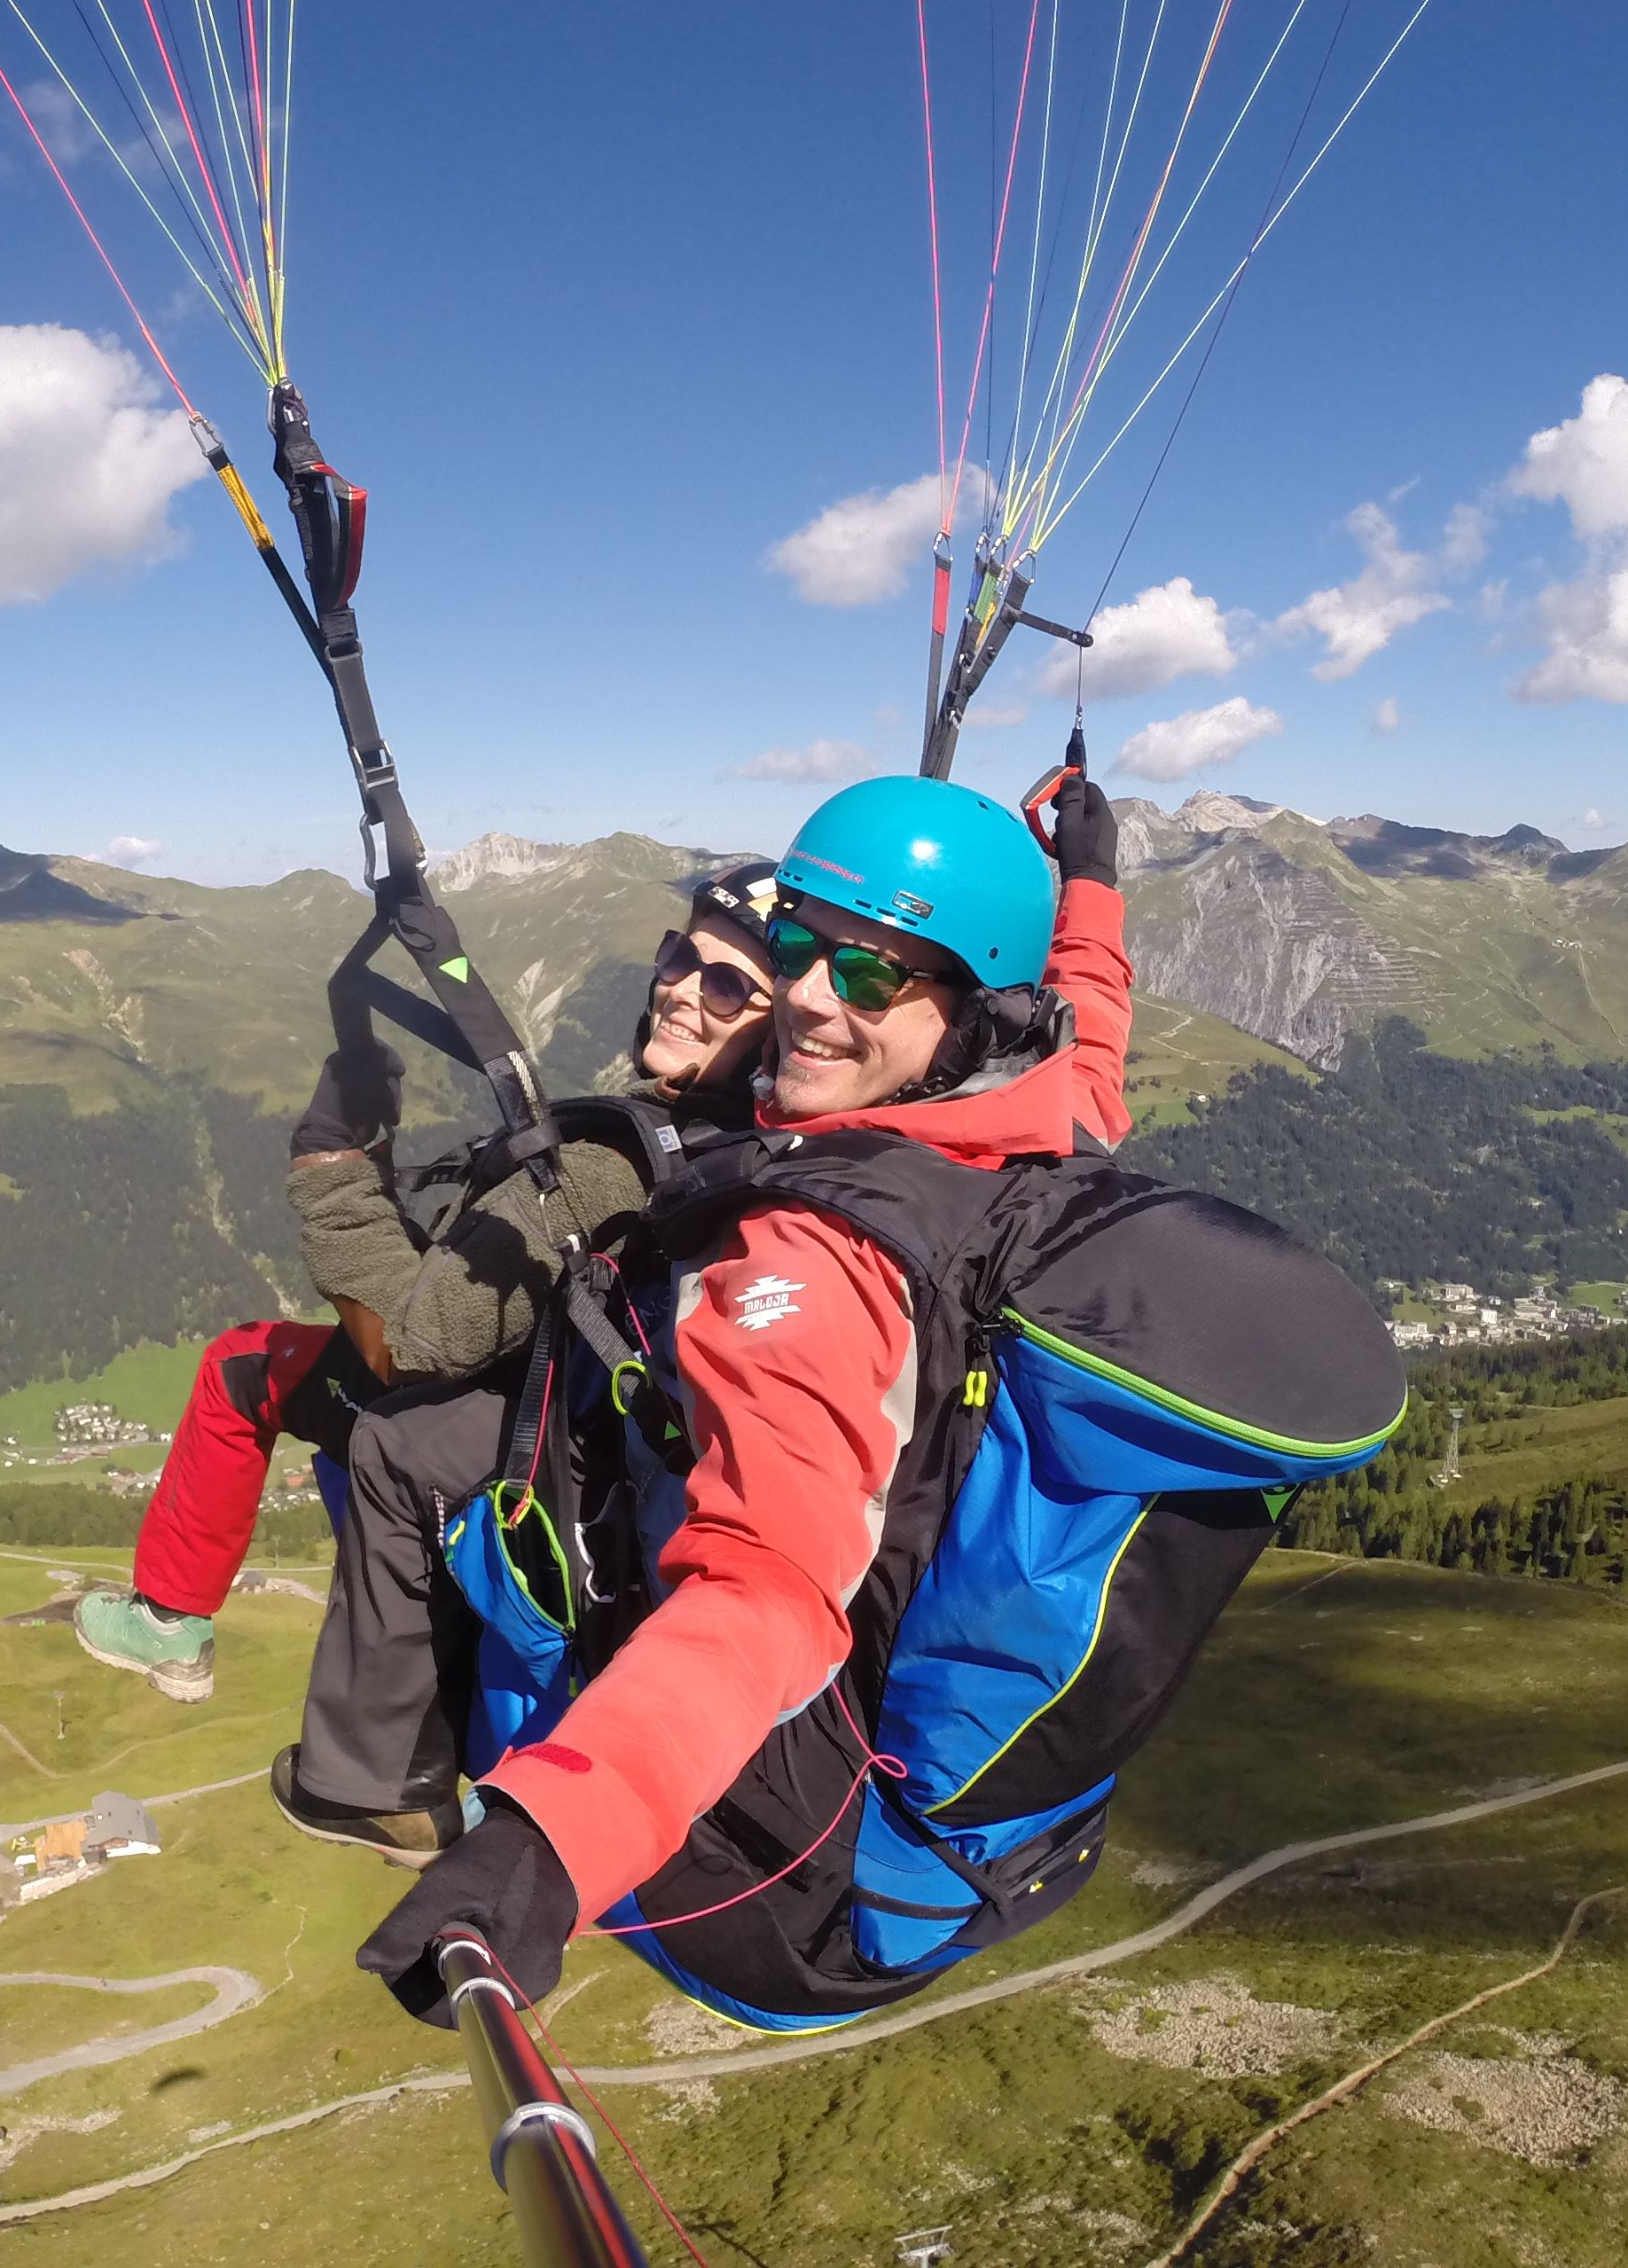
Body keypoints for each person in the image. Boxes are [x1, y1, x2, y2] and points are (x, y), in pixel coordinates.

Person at [268, 771, 1131, 1874]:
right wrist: (1090, 881)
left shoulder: (803, 1240)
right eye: (796, 950)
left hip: (693, 1706)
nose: (810, 997)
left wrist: (559, 1844)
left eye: (867, 974)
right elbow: (1090, 1029)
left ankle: (377, 1783)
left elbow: (766, 1582)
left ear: (974, 1015)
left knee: (399, 1441)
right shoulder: (1045, 1110)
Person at [69, 862, 793, 1710]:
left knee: (243, 1368)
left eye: (726, 985)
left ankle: (169, 1620)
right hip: (543, 1395)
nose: (681, 989)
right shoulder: (730, 1145)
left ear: (778, 1028)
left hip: (490, 1421)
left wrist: (333, 1160)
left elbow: (412, 1347)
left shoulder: (609, 1169)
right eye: (679, 957)